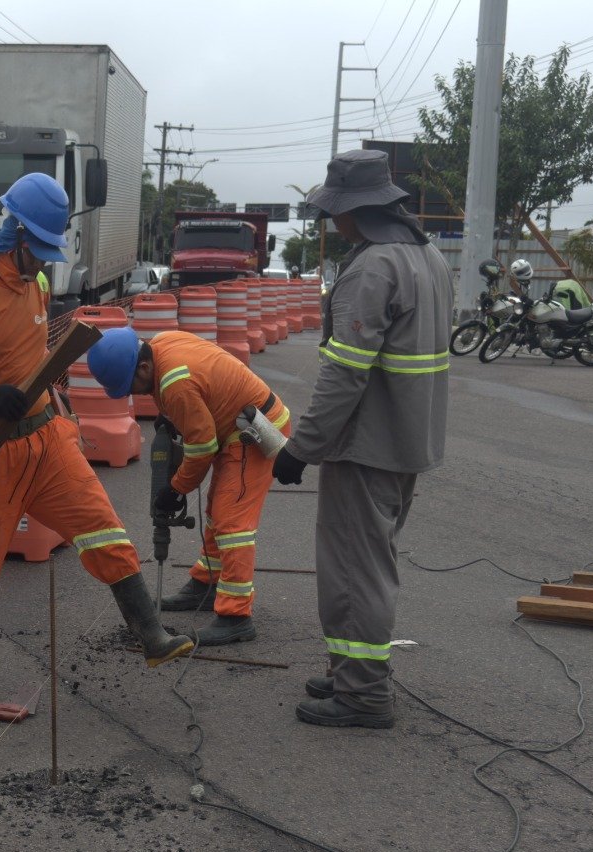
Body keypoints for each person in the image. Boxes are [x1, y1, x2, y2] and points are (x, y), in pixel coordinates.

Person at [0, 173, 193, 701]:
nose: (46, 263)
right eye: (39, 251)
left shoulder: (39, 286)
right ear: (17, 236)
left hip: (45, 439)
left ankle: (150, 633)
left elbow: (31, 353)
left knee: (103, 527)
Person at [271, 148, 451, 729]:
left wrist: (303, 447)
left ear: (357, 212)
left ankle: (364, 693)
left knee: (356, 568)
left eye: (336, 213)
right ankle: (350, 669)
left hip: (365, 444)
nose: (333, 222)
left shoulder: (373, 268)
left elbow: (345, 371)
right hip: (408, 439)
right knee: (372, 559)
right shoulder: (428, 258)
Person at [87, 326, 292, 646]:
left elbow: (202, 447)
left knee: (232, 521)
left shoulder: (174, 383)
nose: (135, 393)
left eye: (132, 386)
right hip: (236, 423)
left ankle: (236, 617)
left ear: (143, 367)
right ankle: (206, 583)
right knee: (217, 510)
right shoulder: (162, 343)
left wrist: (176, 489)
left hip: (255, 432)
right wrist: (171, 415)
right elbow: (201, 386)